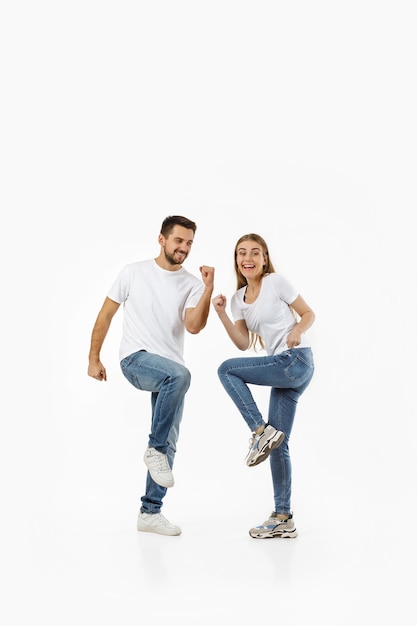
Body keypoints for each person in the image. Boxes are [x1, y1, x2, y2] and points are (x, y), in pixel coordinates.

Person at [88, 215, 214, 536]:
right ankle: (153, 450)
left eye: (189, 243)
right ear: (162, 239)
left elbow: (195, 326)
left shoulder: (192, 285)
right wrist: (94, 357)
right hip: (137, 360)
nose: (184, 248)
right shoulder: (133, 273)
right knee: (178, 384)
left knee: (170, 441)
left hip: (170, 375)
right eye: (178, 241)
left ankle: (150, 512)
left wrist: (209, 289)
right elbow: (106, 314)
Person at [212, 233, 315, 539]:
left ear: (264, 258)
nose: (248, 258)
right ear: (237, 261)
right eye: (242, 253)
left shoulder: (276, 282)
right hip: (283, 369)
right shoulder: (237, 300)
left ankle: (260, 431)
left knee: (226, 370)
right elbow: (243, 342)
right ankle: (283, 517)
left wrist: (297, 329)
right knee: (279, 445)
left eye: (255, 253)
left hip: (295, 360)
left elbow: (309, 313)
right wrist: (220, 314)